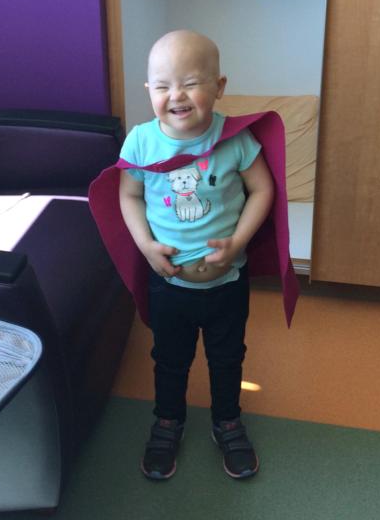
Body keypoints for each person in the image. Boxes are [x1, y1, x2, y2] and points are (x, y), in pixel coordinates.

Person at [118, 29, 275, 481]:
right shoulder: (141, 142)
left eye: (190, 83)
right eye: (162, 86)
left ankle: (227, 422)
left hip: (227, 284)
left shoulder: (235, 139)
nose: (176, 95)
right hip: (169, 284)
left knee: (227, 359)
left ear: (219, 87)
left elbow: (262, 189)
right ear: (149, 91)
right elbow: (128, 195)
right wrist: (146, 246)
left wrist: (238, 242)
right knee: (170, 360)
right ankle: (167, 423)